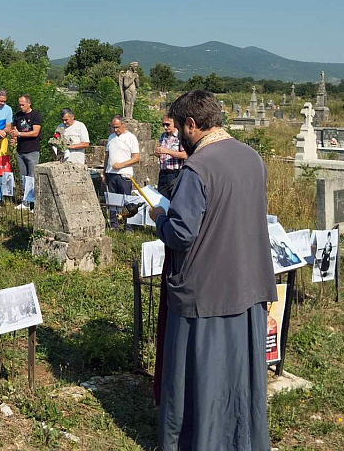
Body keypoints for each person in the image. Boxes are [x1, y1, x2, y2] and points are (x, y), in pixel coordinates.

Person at [149, 90, 277, 451]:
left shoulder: (198, 166)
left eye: (180, 132)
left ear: (192, 124)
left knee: (202, 376)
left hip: (206, 291)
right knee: (238, 378)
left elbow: (182, 233)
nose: (180, 141)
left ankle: (200, 440)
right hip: (249, 282)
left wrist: (160, 219)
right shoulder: (252, 158)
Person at [104, 115, 140, 229]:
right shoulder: (111, 138)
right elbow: (107, 155)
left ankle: (128, 226)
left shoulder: (131, 138)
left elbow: (136, 157)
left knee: (126, 201)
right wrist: (105, 171)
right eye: (113, 127)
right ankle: (113, 225)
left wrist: (121, 165)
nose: (115, 130)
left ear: (123, 125)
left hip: (124, 173)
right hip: (111, 173)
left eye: (117, 127)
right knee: (113, 201)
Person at [11, 94, 42, 210]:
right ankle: (25, 201)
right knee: (23, 177)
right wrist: (14, 137)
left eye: (23, 104)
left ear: (29, 103)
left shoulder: (36, 115)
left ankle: (33, 203)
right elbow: (14, 129)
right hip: (20, 150)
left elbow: (35, 132)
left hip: (32, 149)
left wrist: (19, 134)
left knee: (32, 177)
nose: (21, 107)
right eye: (19, 104)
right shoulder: (18, 115)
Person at [154, 115, 187, 200]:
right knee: (161, 200)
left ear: (174, 123)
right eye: (163, 125)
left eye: (168, 124)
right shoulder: (163, 136)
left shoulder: (180, 137)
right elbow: (160, 153)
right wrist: (157, 153)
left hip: (175, 173)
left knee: (174, 200)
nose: (165, 127)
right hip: (163, 173)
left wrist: (167, 151)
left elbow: (185, 155)